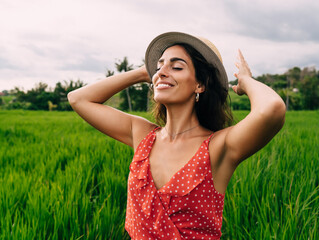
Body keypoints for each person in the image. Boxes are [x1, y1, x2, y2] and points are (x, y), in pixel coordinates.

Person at [68, 32, 286, 240]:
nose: (162, 71)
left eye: (177, 66)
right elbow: (78, 99)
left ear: (200, 85)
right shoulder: (143, 135)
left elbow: (272, 109)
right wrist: (144, 73)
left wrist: (245, 81)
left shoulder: (218, 147)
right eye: (159, 65)